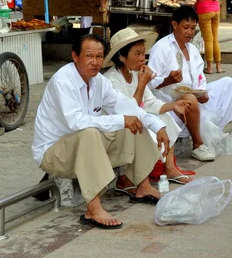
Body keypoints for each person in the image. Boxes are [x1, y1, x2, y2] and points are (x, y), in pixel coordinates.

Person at [32, 34, 170, 229]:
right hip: (54, 154)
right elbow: (75, 122)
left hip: (83, 148)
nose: (95, 62)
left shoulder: (99, 81)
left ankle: (143, 186)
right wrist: (120, 120)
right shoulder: (62, 81)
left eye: (99, 56)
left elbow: (126, 107)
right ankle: (93, 208)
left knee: (133, 123)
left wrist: (158, 126)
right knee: (90, 131)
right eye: (89, 56)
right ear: (75, 56)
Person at [147, 6, 232, 161]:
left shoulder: (192, 49)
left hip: (193, 97)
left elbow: (200, 77)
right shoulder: (162, 48)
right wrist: (168, 80)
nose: (189, 32)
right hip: (169, 103)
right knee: (189, 98)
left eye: (193, 28)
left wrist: (202, 92)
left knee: (228, 83)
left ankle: (214, 131)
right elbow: (150, 83)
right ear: (175, 25)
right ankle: (198, 144)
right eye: (185, 27)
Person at [102, 28, 196, 190]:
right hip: (117, 131)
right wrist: (142, 84)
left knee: (165, 118)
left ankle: (170, 168)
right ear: (122, 57)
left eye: (143, 53)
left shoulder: (135, 73)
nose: (142, 59)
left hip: (132, 120)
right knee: (140, 123)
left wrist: (173, 106)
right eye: (137, 54)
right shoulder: (112, 80)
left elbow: (151, 102)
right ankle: (126, 177)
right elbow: (129, 112)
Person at [168, 0, 224, 74]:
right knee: (215, 39)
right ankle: (219, 66)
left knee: (208, 40)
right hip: (215, 8)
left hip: (205, 10)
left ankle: (209, 68)